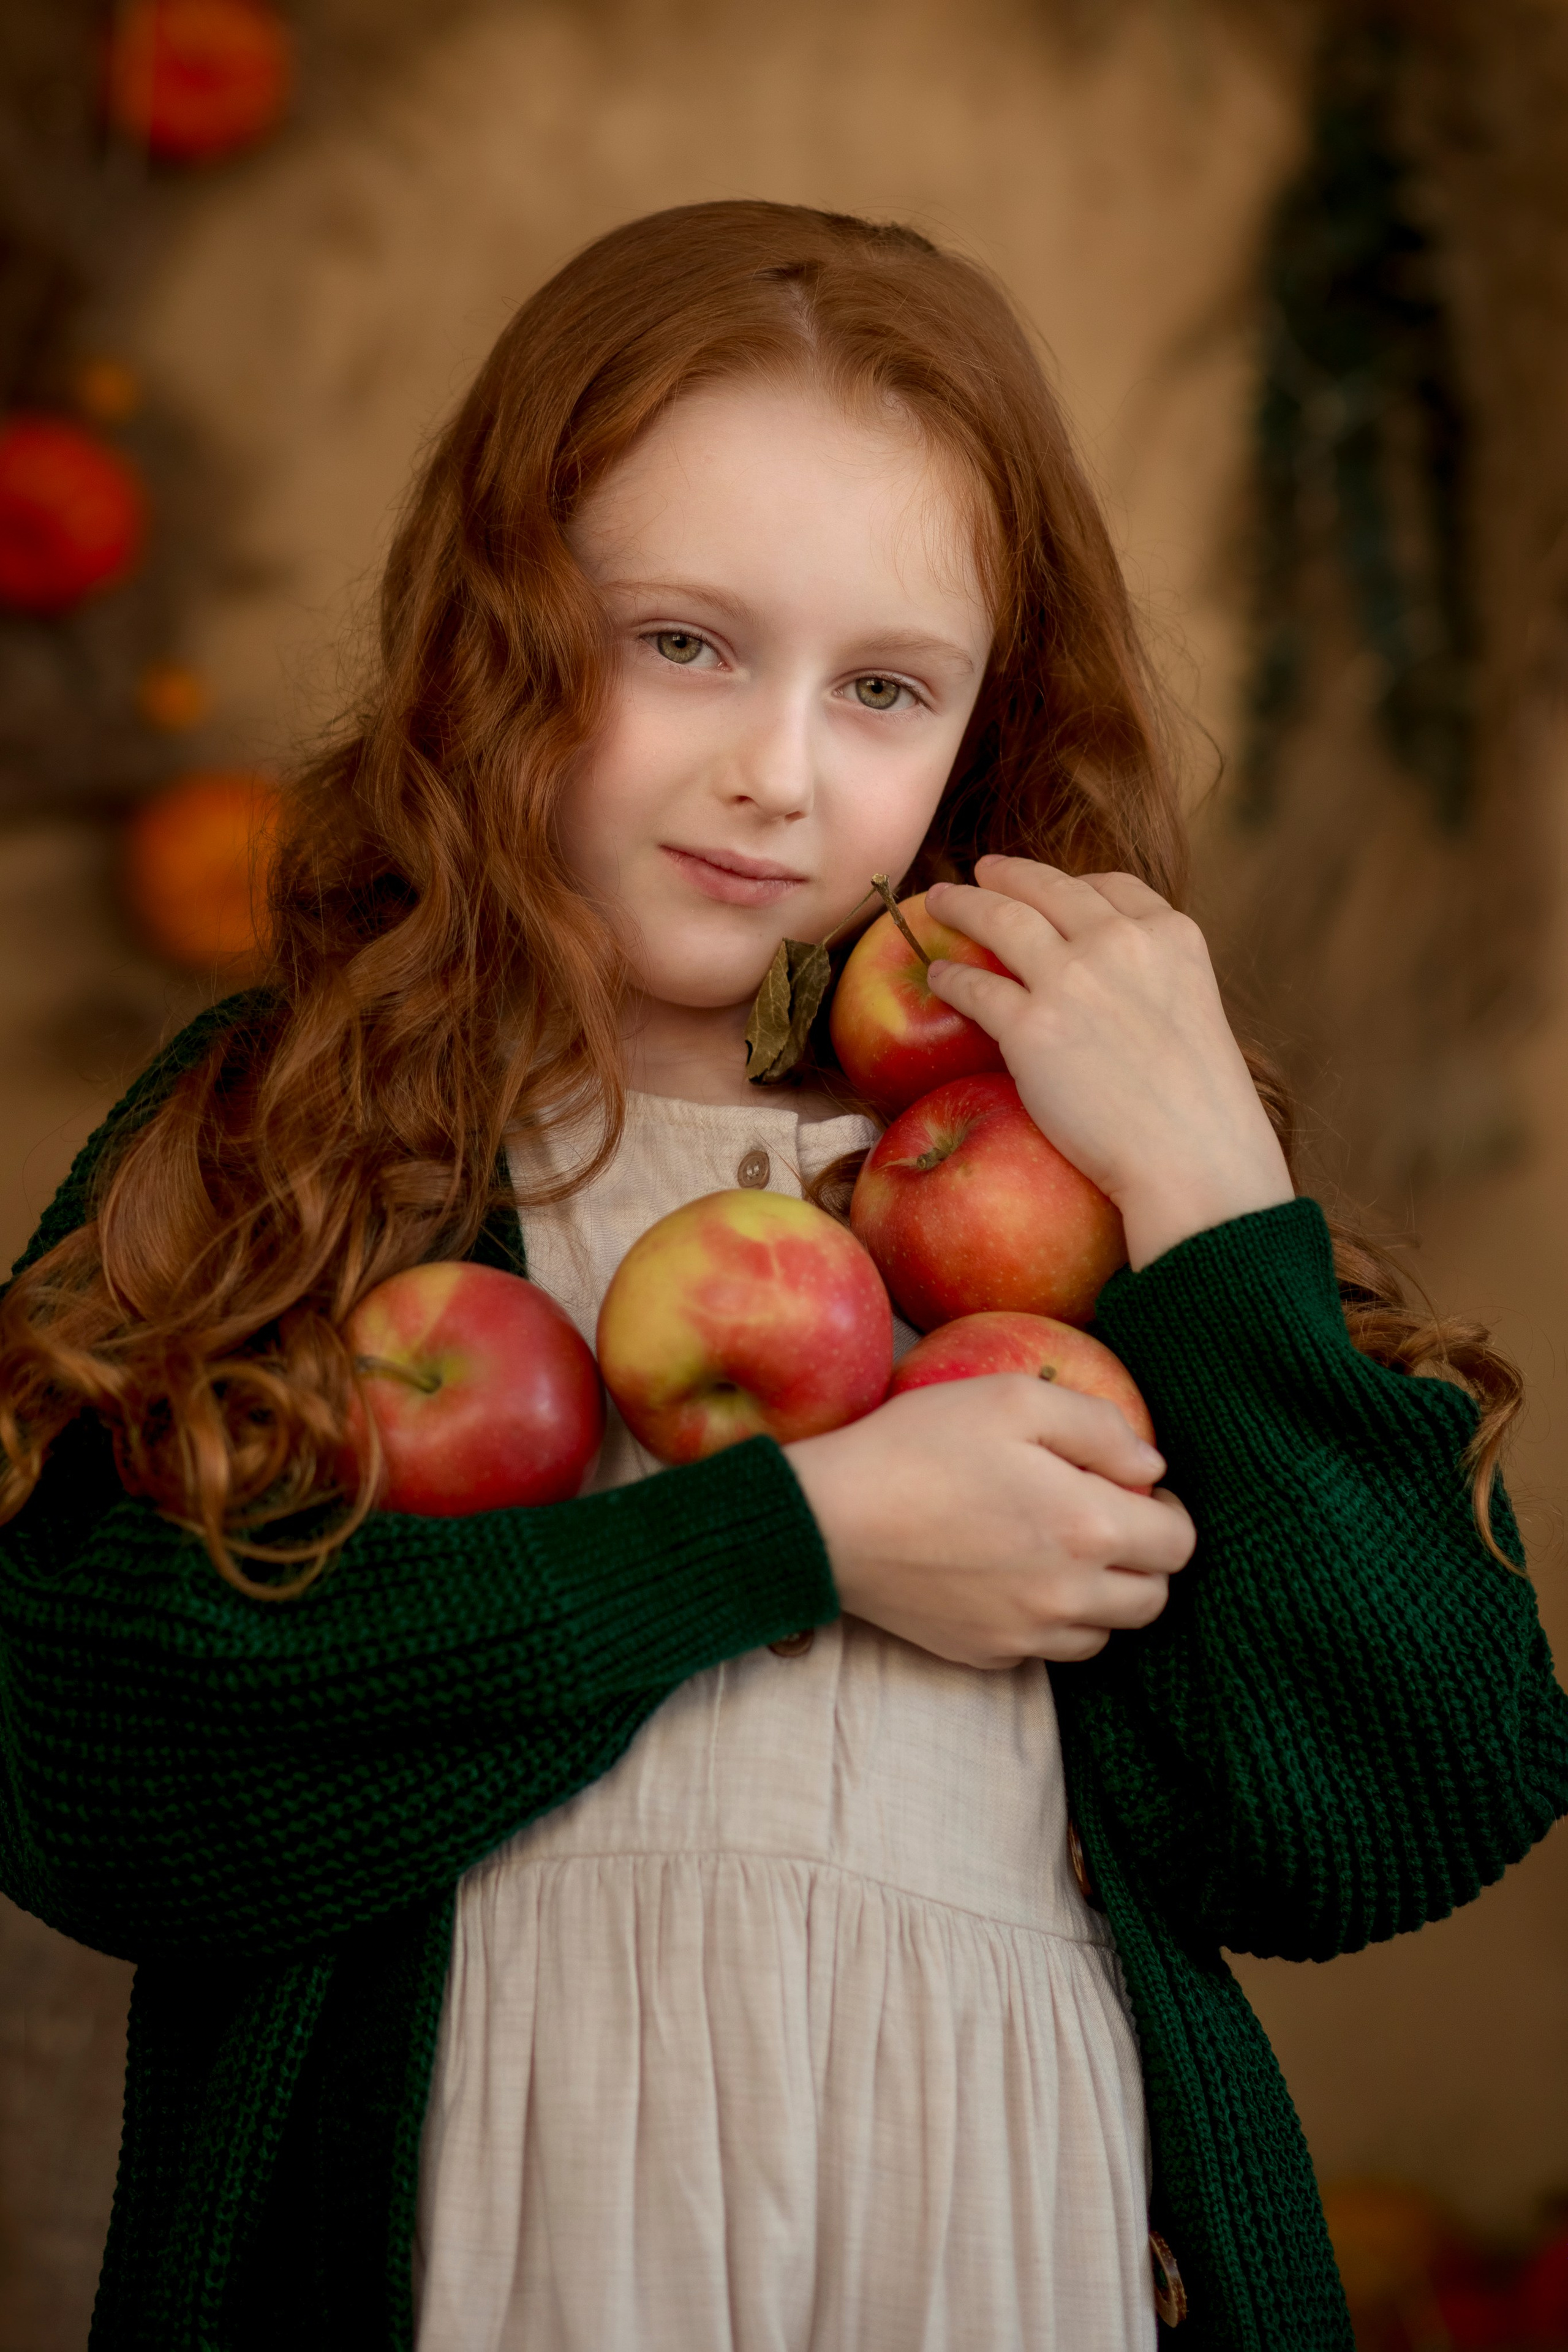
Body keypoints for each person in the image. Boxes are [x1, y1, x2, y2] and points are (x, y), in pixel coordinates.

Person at [1, 202, 1563, 2352]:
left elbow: (1405, 1805)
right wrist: (788, 1539)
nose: (778, 771)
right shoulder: (308, 1138)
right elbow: (83, 1760)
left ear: (986, 725)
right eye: (682, 644)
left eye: (885, 688)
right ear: (494, 630)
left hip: (1008, 2266)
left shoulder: (1080, 1205)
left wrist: (1213, 1189)